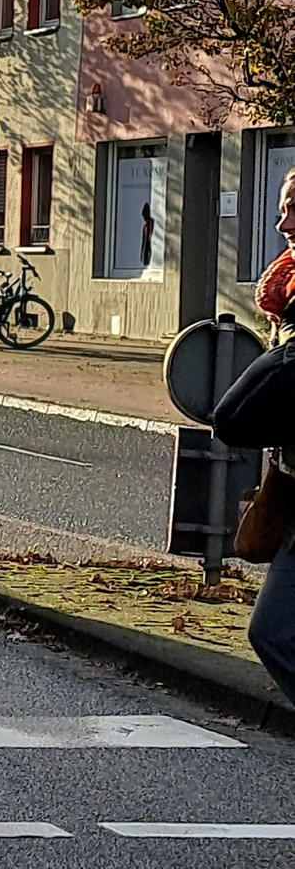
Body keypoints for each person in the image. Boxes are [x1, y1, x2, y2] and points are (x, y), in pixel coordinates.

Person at [235, 167, 295, 705]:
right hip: (294, 487)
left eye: (294, 208)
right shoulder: (288, 291)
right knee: (271, 632)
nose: (283, 223)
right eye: (281, 208)